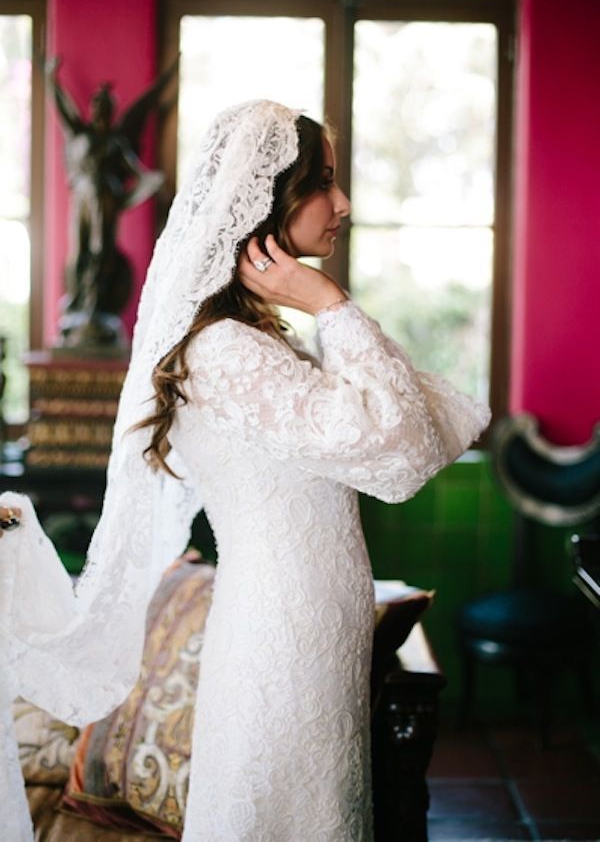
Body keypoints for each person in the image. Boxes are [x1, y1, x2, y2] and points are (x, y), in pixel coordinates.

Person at [0, 100, 489, 841]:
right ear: (268, 203)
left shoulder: (254, 341)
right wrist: (330, 302)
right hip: (281, 636)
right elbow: (401, 446)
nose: (344, 202)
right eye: (324, 181)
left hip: (309, 626)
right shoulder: (225, 351)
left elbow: (412, 432)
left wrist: (325, 317)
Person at [46, 58, 177, 348]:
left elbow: (140, 176)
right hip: (82, 203)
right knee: (79, 253)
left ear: (111, 111)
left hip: (104, 203)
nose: (101, 113)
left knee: (100, 253)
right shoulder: (81, 135)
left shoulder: (117, 144)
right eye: (98, 108)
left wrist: (126, 198)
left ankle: (96, 308)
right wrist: (51, 80)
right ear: (93, 110)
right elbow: (64, 111)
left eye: (106, 109)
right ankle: (79, 306)